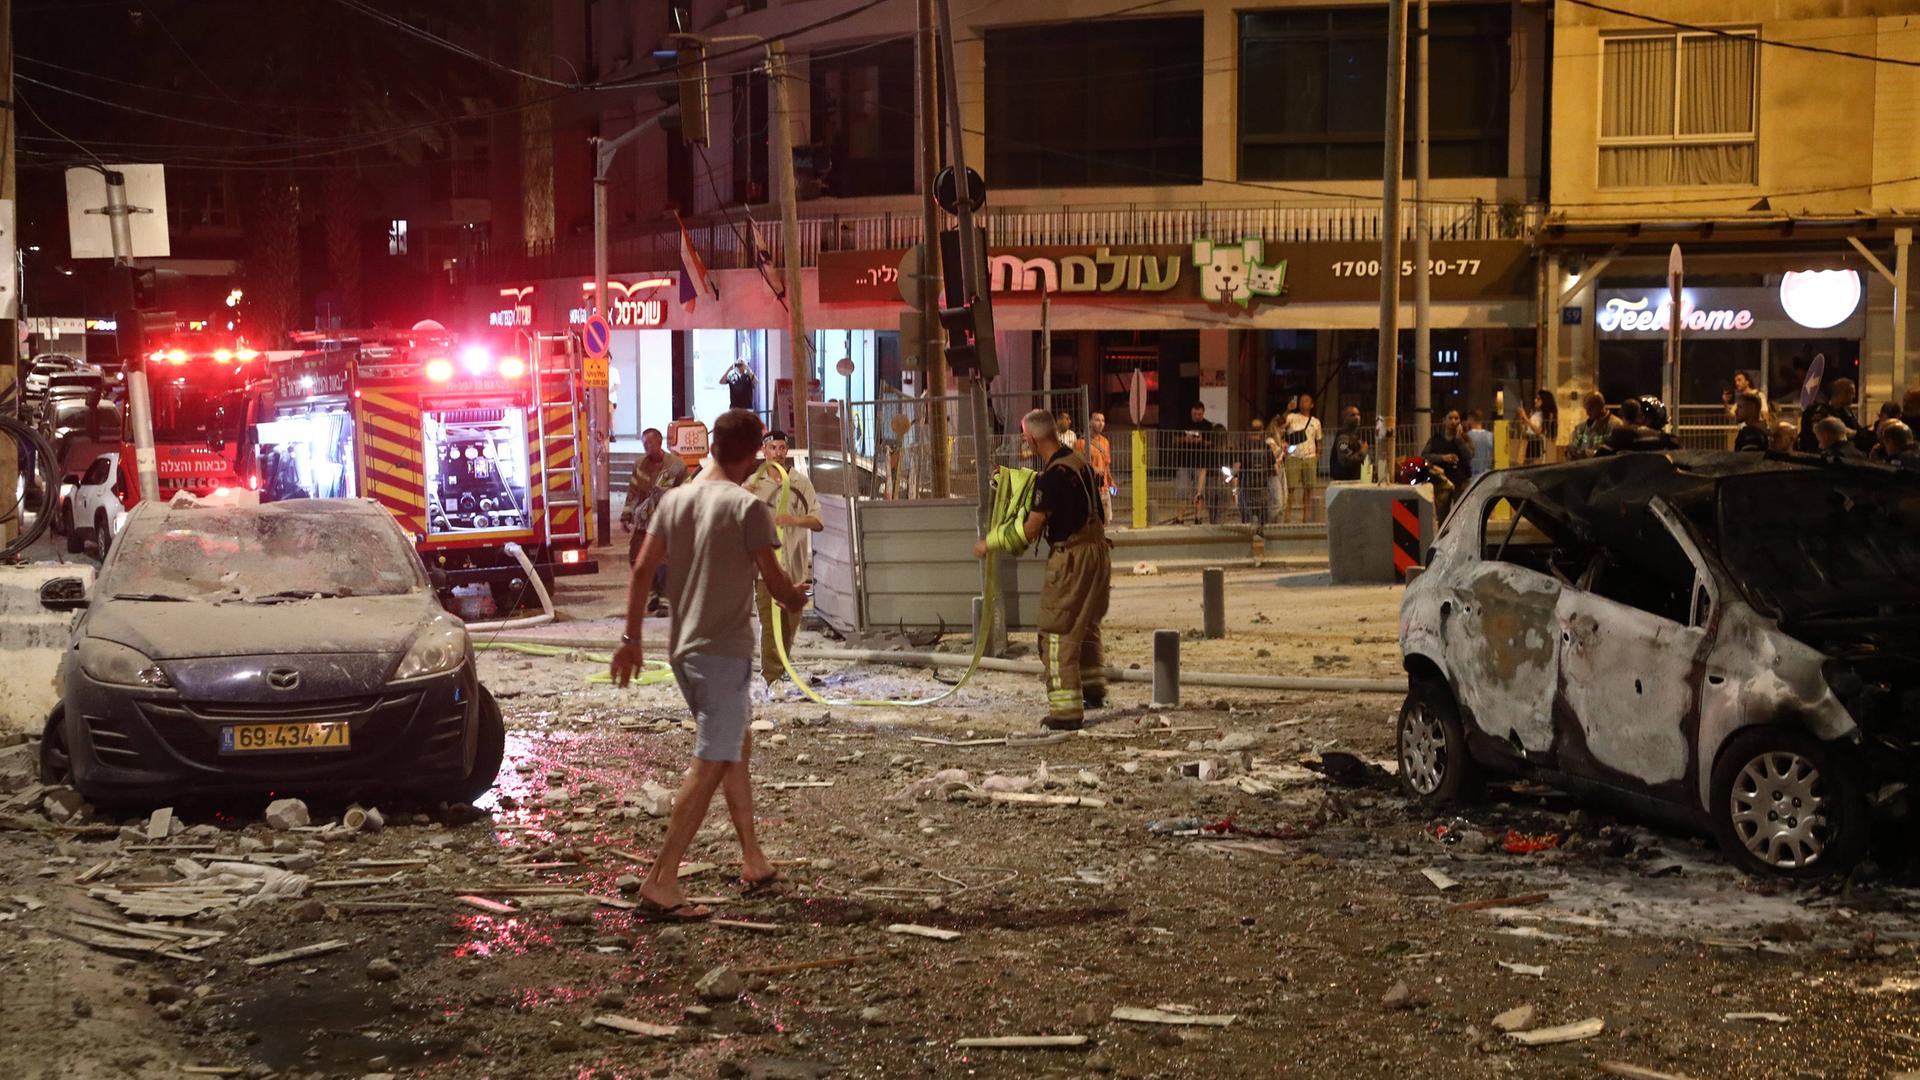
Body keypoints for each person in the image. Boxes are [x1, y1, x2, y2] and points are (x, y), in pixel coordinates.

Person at [610, 409, 808, 920]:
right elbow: (776, 584)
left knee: (734, 746)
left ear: (713, 444)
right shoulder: (748, 508)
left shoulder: (677, 499)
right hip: (722, 651)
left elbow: (641, 570)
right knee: (712, 758)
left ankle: (753, 859)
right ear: (754, 454)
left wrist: (631, 640)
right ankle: (661, 880)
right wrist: (796, 598)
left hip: (684, 649)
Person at [973, 410, 1110, 731]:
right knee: (1085, 623)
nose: (1025, 442)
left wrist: (991, 542)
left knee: (1057, 631)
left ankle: (1065, 712)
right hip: (1098, 551)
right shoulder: (1079, 463)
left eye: (1025, 437)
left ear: (1032, 439)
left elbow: (1031, 529)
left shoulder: (1052, 478)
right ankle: (1092, 688)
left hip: (1071, 557)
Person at [744, 430, 823, 688]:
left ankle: (782, 666)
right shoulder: (754, 484)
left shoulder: (800, 482)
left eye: (781, 447)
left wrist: (792, 520)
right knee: (770, 624)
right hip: (766, 570)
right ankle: (773, 678)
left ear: (786, 451)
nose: (777, 453)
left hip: (794, 569)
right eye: (772, 448)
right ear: (764, 451)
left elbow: (818, 521)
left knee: (789, 624)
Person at [621, 428, 690, 613]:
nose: (646, 446)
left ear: (659, 442)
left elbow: (687, 493)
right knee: (636, 556)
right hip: (644, 520)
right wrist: (626, 515)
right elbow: (633, 491)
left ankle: (665, 599)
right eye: (643, 443)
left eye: (649, 443)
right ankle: (652, 592)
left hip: (667, 520)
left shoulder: (676, 466)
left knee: (664, 560)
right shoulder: (640, 465)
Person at [1278, 393, 1323, 523]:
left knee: (1308, 488)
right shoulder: (1292, 417)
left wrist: (1317, 456)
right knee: (1290, 488)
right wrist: (1288, 410)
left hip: (1310, 457)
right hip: (1293, 456)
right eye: (1302, 401)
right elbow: (1280, 424)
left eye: (1306, 401)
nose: (1303, 403)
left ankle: (1306, 517)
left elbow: (1319, 440)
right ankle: (1287, 517)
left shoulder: (1316, 422)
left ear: (1312, 405)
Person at [1799, 376, 1862, 452]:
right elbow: (1835, 432)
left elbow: (1858, 429)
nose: (1854, 396)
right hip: (1820, 453)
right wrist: (1857, 434)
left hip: (1841, 452)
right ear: (1842, 393)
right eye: (1851, 393)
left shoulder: (1847, 412)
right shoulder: (1820, 411)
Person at [1173, 402, 1213, 523]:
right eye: (1195, 414)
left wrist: (1201, 441)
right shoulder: (1183, 424)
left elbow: (1212, 443)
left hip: (1200, 463)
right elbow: (1174, 440)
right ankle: (1180, 518)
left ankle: (1198, 517)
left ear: (1203, 413)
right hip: (1184, 463)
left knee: (1199, 492)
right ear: (1191, 412)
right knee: (1182, 491)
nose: (1197, 416)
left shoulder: (1207, 426)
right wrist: (1185, 439)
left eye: (1199, 414)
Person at [1420, 409, 1474, 492]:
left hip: (1460, 482)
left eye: (1456, 418)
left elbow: (1469, 455)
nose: (1453, 421)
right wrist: (1442, 458)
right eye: (1450, 418)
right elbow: (1425, 456)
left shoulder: (1464, 438)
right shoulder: (1436, 439)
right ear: (1444, 420)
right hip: (1441, 482)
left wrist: (1459, 439)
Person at [1566, 392, 1619, 461]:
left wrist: (1587, 453)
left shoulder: (1615, 426)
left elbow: (1611, 453)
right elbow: (1574, 446)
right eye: (1586, 409)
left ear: (1600, 406)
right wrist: (1570, 453)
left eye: (1590, 409)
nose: (1587, 413)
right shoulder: (1581, 427)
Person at [1084, 411, 1116, 525]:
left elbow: (1106, 464)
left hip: (1104, 488)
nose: (1101, 423)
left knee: (1105, 521)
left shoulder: (1105, 442)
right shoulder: (1081, 443)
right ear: (1090, 422)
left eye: (1103, 420)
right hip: (1089, 490)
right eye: (1097, 420)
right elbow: (1079, 464)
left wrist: (1111, 481)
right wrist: (1093, 468)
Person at [1239, 418, 1272, 525]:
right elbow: (1274, 466)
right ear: (1262, 431)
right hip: (1262, 485)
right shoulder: (1266, 447)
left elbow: (1237, 466)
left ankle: (1247, 532)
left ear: (1249, 431)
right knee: (1263, 515)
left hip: (1247, 485)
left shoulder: (1244, 447)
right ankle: (1262, 531)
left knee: (1247, 516)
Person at [1515, 390, 1558, 464]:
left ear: (1545, 400)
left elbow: (1539, 431)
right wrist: (1521, 418)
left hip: (1537, 443)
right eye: (1536, 398)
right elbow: (1526, 429)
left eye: (1538, 399)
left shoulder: (1548, 414)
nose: (1535, 400)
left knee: (1535, 464)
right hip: (1529, 441)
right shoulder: (1536, 413)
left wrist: (1526, 418)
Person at [1330, 405, 1369, 481]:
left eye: (1358, 414)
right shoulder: (1343, 438)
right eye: (1353, 415)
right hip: (1345, 480)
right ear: (1345, 418)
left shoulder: (1353, 436)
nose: (1357, 417)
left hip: (1351, 479)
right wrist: (1363, 452)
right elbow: (1345, 460)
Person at [1465, 411, 1495, 477]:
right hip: (1488, 473)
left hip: (1472, 473)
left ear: (1470, 419)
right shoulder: (1490, 435)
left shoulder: (1467, 436)